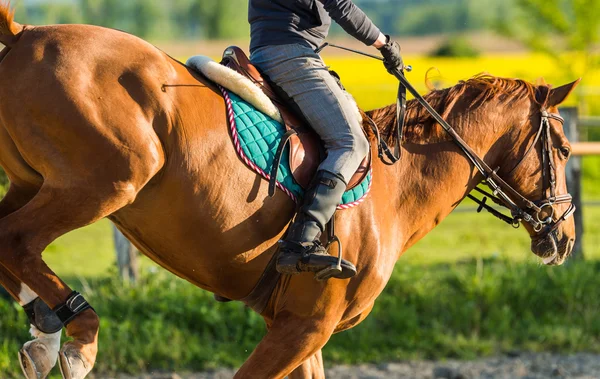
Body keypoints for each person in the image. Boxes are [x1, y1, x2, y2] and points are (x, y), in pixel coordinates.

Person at [249, 0, 403, 279]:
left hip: (261, 51)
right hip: (292, 54)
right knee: (351, 142)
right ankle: (302, 239)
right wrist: (384, 43)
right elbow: (340, 6)